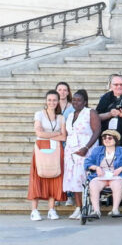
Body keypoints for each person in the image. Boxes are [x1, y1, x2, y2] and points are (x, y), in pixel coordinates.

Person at [29, 91, 67, 220]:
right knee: (38, 176)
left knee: (54, 176)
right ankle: (34, 210)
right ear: (46, 101)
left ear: (58, 101)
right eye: (49, 100)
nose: (52, 102)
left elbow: (64, 136)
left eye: (54, 100)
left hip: (56, 148)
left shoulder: (61, 117)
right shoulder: (39, 114)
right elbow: (39, 132)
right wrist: (55, 134)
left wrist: (48, 135)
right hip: (41, 148)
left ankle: (51, 209)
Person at [83, 130, 122, 218]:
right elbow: (87, 163)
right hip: (100, 176)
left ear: (116, 140)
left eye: (109, 138)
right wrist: (96, 168)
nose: (106, 140)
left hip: (117, 176)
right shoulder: (97, 150)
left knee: (117, 184)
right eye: (104, 138)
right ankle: (96, 211)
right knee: (93, 184)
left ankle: (115, 210)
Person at [62, 90, 99, 220]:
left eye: (79, 100)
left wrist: (86, 147)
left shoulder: (90, 112)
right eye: (74, 100)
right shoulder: (71, 115)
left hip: (86, 150)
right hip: (71, 152)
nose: (76, 102)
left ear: (85, 102)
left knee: (83, 179)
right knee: (74, 180)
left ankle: (88, 207)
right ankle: (78, 207)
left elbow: (97, 131)